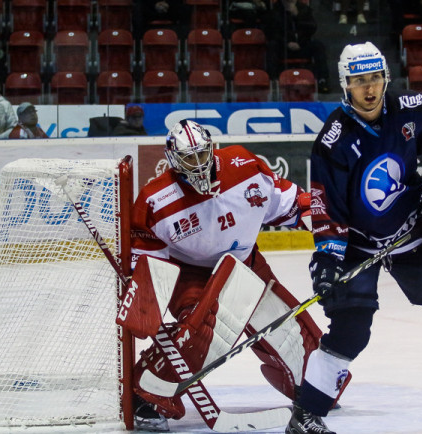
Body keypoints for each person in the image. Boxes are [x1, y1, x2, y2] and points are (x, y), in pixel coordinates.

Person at [285, 42, 422, 434]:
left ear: (386, 78)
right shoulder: (333, 139)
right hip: (357, 240)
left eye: (375, 77)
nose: (369, 88)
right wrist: (328, 259)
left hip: (410, 229)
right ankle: (306, 415)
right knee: (351, 331)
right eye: (359, 80)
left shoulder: (413, 108)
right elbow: (327, 207)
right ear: (345, 85)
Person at [128, 119, 348, 431]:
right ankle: (147, 394)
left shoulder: (246, 168)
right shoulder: (156, 200)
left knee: (289, 335)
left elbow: (292, 202)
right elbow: (145, 258)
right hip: (192, 275)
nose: (197, 163)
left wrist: (323, 223)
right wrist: (145, 298)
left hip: (245, 264)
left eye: (201, 154)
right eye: (188, 158)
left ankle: (312, 385)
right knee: (199, 332)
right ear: (174, 160)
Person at [265, 0, 331, 93]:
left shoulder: (304, 9)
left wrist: (297, 16)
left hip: (302, 45)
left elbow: (312, 28)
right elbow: (272, 32)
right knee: (272, 46)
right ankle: (273, 80)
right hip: (283, 47)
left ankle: (322, 80)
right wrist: (287, 43)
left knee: (318, 45)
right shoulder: (276, 10)